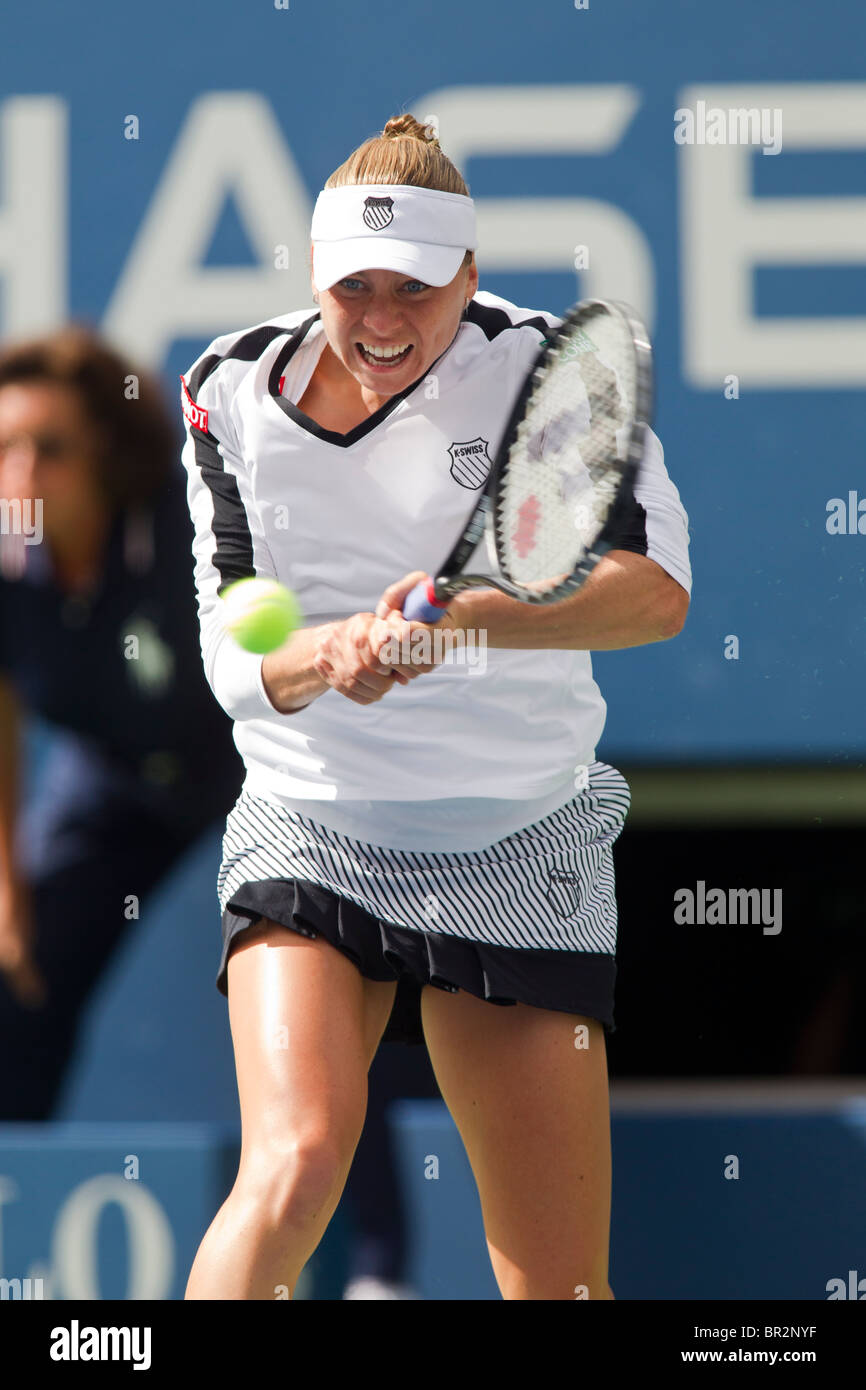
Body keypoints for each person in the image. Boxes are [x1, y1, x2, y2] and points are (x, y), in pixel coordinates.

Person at [180, 113, 691, 1301]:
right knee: (295, 1162)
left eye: (413, 285)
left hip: (520, 833)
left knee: (556, 1288)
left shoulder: (540, 368)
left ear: (467, 273)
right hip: (312, 821)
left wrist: (464, 618)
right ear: (315, 280)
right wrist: (330, 655)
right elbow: (228, 648)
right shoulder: (227, 390)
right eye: (352, 285)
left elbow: (652, 596)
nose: (380, 317)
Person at [0, 327, 243, 1119]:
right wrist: (8, 892)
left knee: (333, 997)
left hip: (258, 774)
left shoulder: (193, 526)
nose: (23, 475)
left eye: (51, 448)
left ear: (106, 451)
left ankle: (375, 1243)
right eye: (4, 448)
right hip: (113, 784)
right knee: (18, 980)